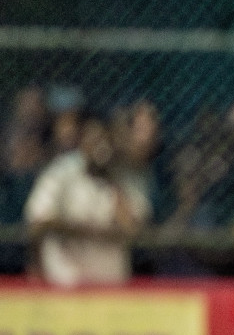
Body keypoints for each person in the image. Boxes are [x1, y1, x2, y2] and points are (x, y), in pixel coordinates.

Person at [25, 112, 149, 287]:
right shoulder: (61, 172)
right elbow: (38, 222)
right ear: (81, 142)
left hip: (109, 284)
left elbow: (132, 228)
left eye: (105, 139)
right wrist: (82, 230)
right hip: (65, 282)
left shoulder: (124, 176)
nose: (100, 146)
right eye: (94, 139)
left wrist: (111, 181)